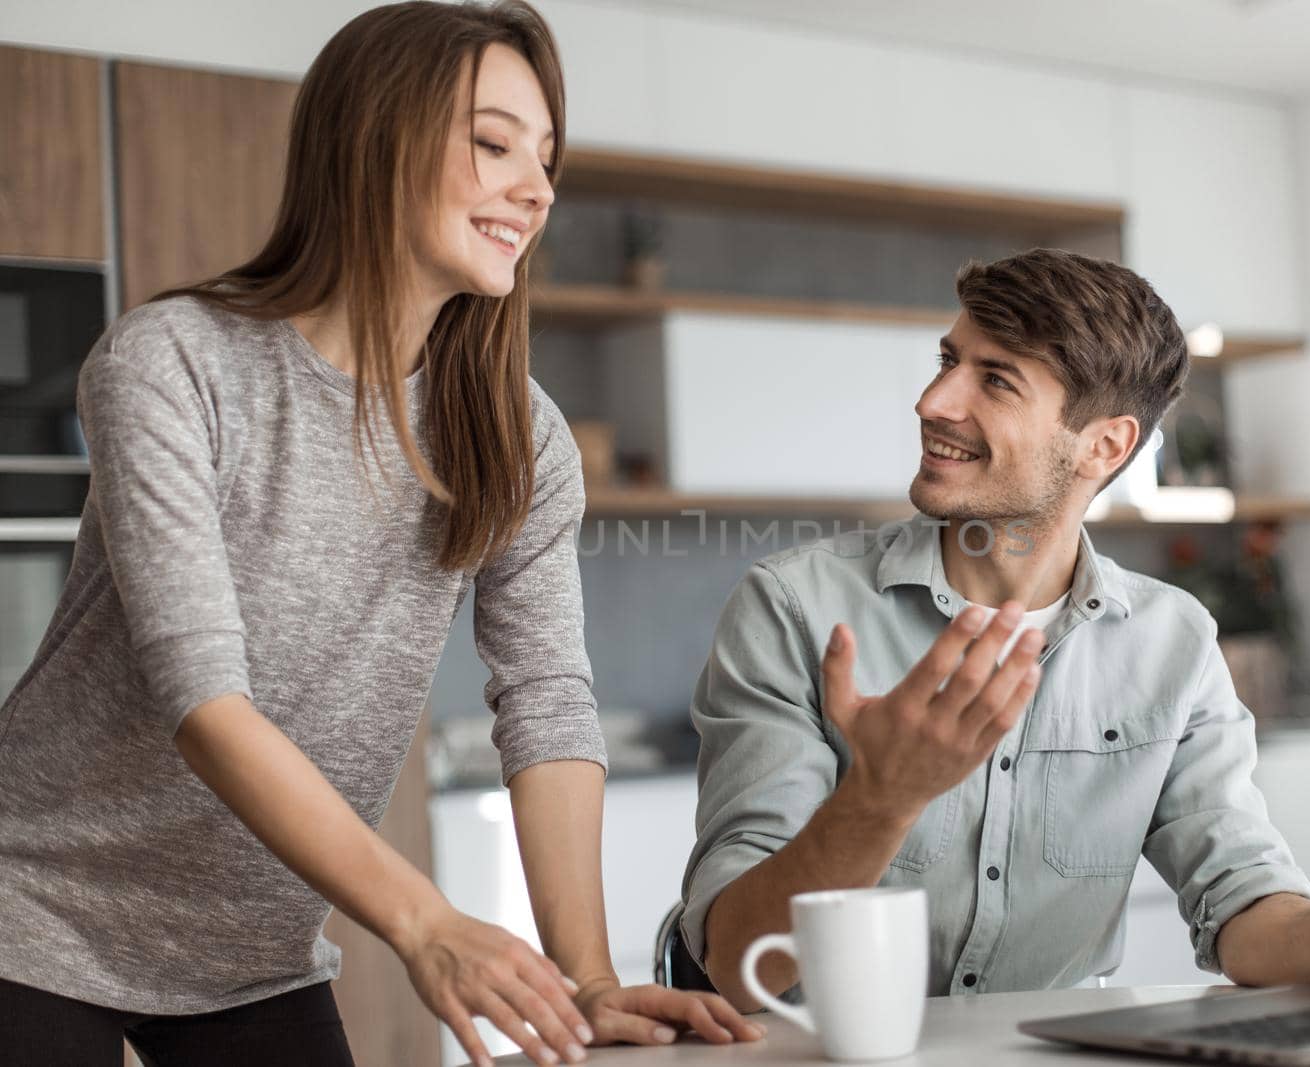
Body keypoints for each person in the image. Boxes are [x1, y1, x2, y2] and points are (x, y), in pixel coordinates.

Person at [0, 3, 760, 1065]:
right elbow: (205, 700)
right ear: (374, 141)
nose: (537, 191)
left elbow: (545, 699)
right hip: (34, 916)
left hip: (254, 952)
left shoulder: (516, 434)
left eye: (546, 159)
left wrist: (586, 980)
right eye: (492, 143)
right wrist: (424, 920)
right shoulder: (171, 363)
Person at [680, 248, 1310, 1009]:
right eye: (949, 361)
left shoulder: (1173, 642)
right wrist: (879, 798)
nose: (935, 401)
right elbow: (732, 960)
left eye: (995, 380)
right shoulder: (794, 609)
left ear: (1104, 446)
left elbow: (1241, 898)